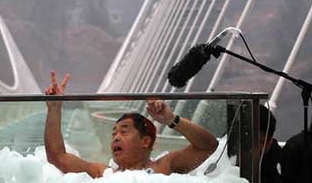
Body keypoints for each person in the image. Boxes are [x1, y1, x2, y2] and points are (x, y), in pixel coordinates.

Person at [43, 71, 218, 176]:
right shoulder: (103, 174)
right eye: (113, 134)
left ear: (145, 141)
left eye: (124, 132)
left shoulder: (165, 167)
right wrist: (54, 109)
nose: (115, 138)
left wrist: (172, 120)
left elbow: (207, 146)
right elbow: (58, 158)